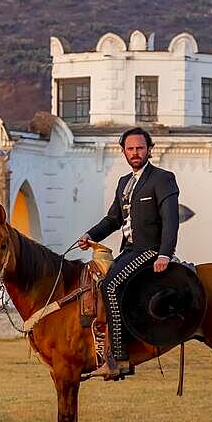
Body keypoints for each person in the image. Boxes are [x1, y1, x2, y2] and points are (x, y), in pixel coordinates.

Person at [78, 127, 180, 379]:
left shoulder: (162, 178)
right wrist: (90, 235)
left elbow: (171, 220)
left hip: (151, 249)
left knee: (110, 286)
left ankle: (119, 359)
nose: (135, 153)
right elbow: (113, 219)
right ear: (123, 151)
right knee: (100, 280)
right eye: (131, 149)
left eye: (140, 148)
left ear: (149, 149)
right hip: (129, 250)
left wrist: (165, 254)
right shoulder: (124, 182)